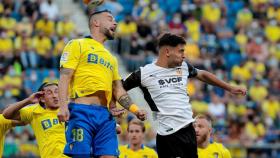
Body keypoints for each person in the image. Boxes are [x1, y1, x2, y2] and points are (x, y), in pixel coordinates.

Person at [122, 32, 246, 158]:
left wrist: (229, 88)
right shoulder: (144, 73)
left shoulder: (183, 67)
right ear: (167, 52)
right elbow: (118, 88)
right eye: (180, 51)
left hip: (189, 132)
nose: (184, 55)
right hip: (169, 136)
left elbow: (202, 74)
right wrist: (130, 108)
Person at [57, 9, 146, 158]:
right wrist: (62, 106)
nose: (115, 23)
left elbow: (118, 89)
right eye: (110, 19)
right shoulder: (77, 44)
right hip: (80, 111)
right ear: (96, 22)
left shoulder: (112, 58)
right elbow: (64, 77)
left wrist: (135, 110)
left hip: (104, 116)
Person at [3, 82, 69, 158]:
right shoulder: (34, 111)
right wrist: (28, 100)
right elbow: (6, 114)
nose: (54, 96)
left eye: (57, 92)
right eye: (49, 93)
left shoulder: (69, 107)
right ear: (42, 99)